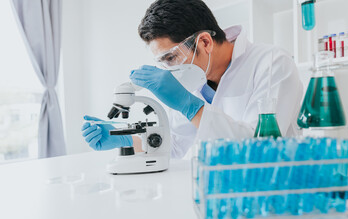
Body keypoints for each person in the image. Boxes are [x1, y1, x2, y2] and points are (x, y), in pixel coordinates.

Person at [81, 0, 303, 159]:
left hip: (274, 189)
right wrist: (125, 139)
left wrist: (191, 107)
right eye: (162, 62)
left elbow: (261, 148)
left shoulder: (272, 63)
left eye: (171, 57)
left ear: (205, 42)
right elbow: (175, 146)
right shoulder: (193, 79)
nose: (169, 69)